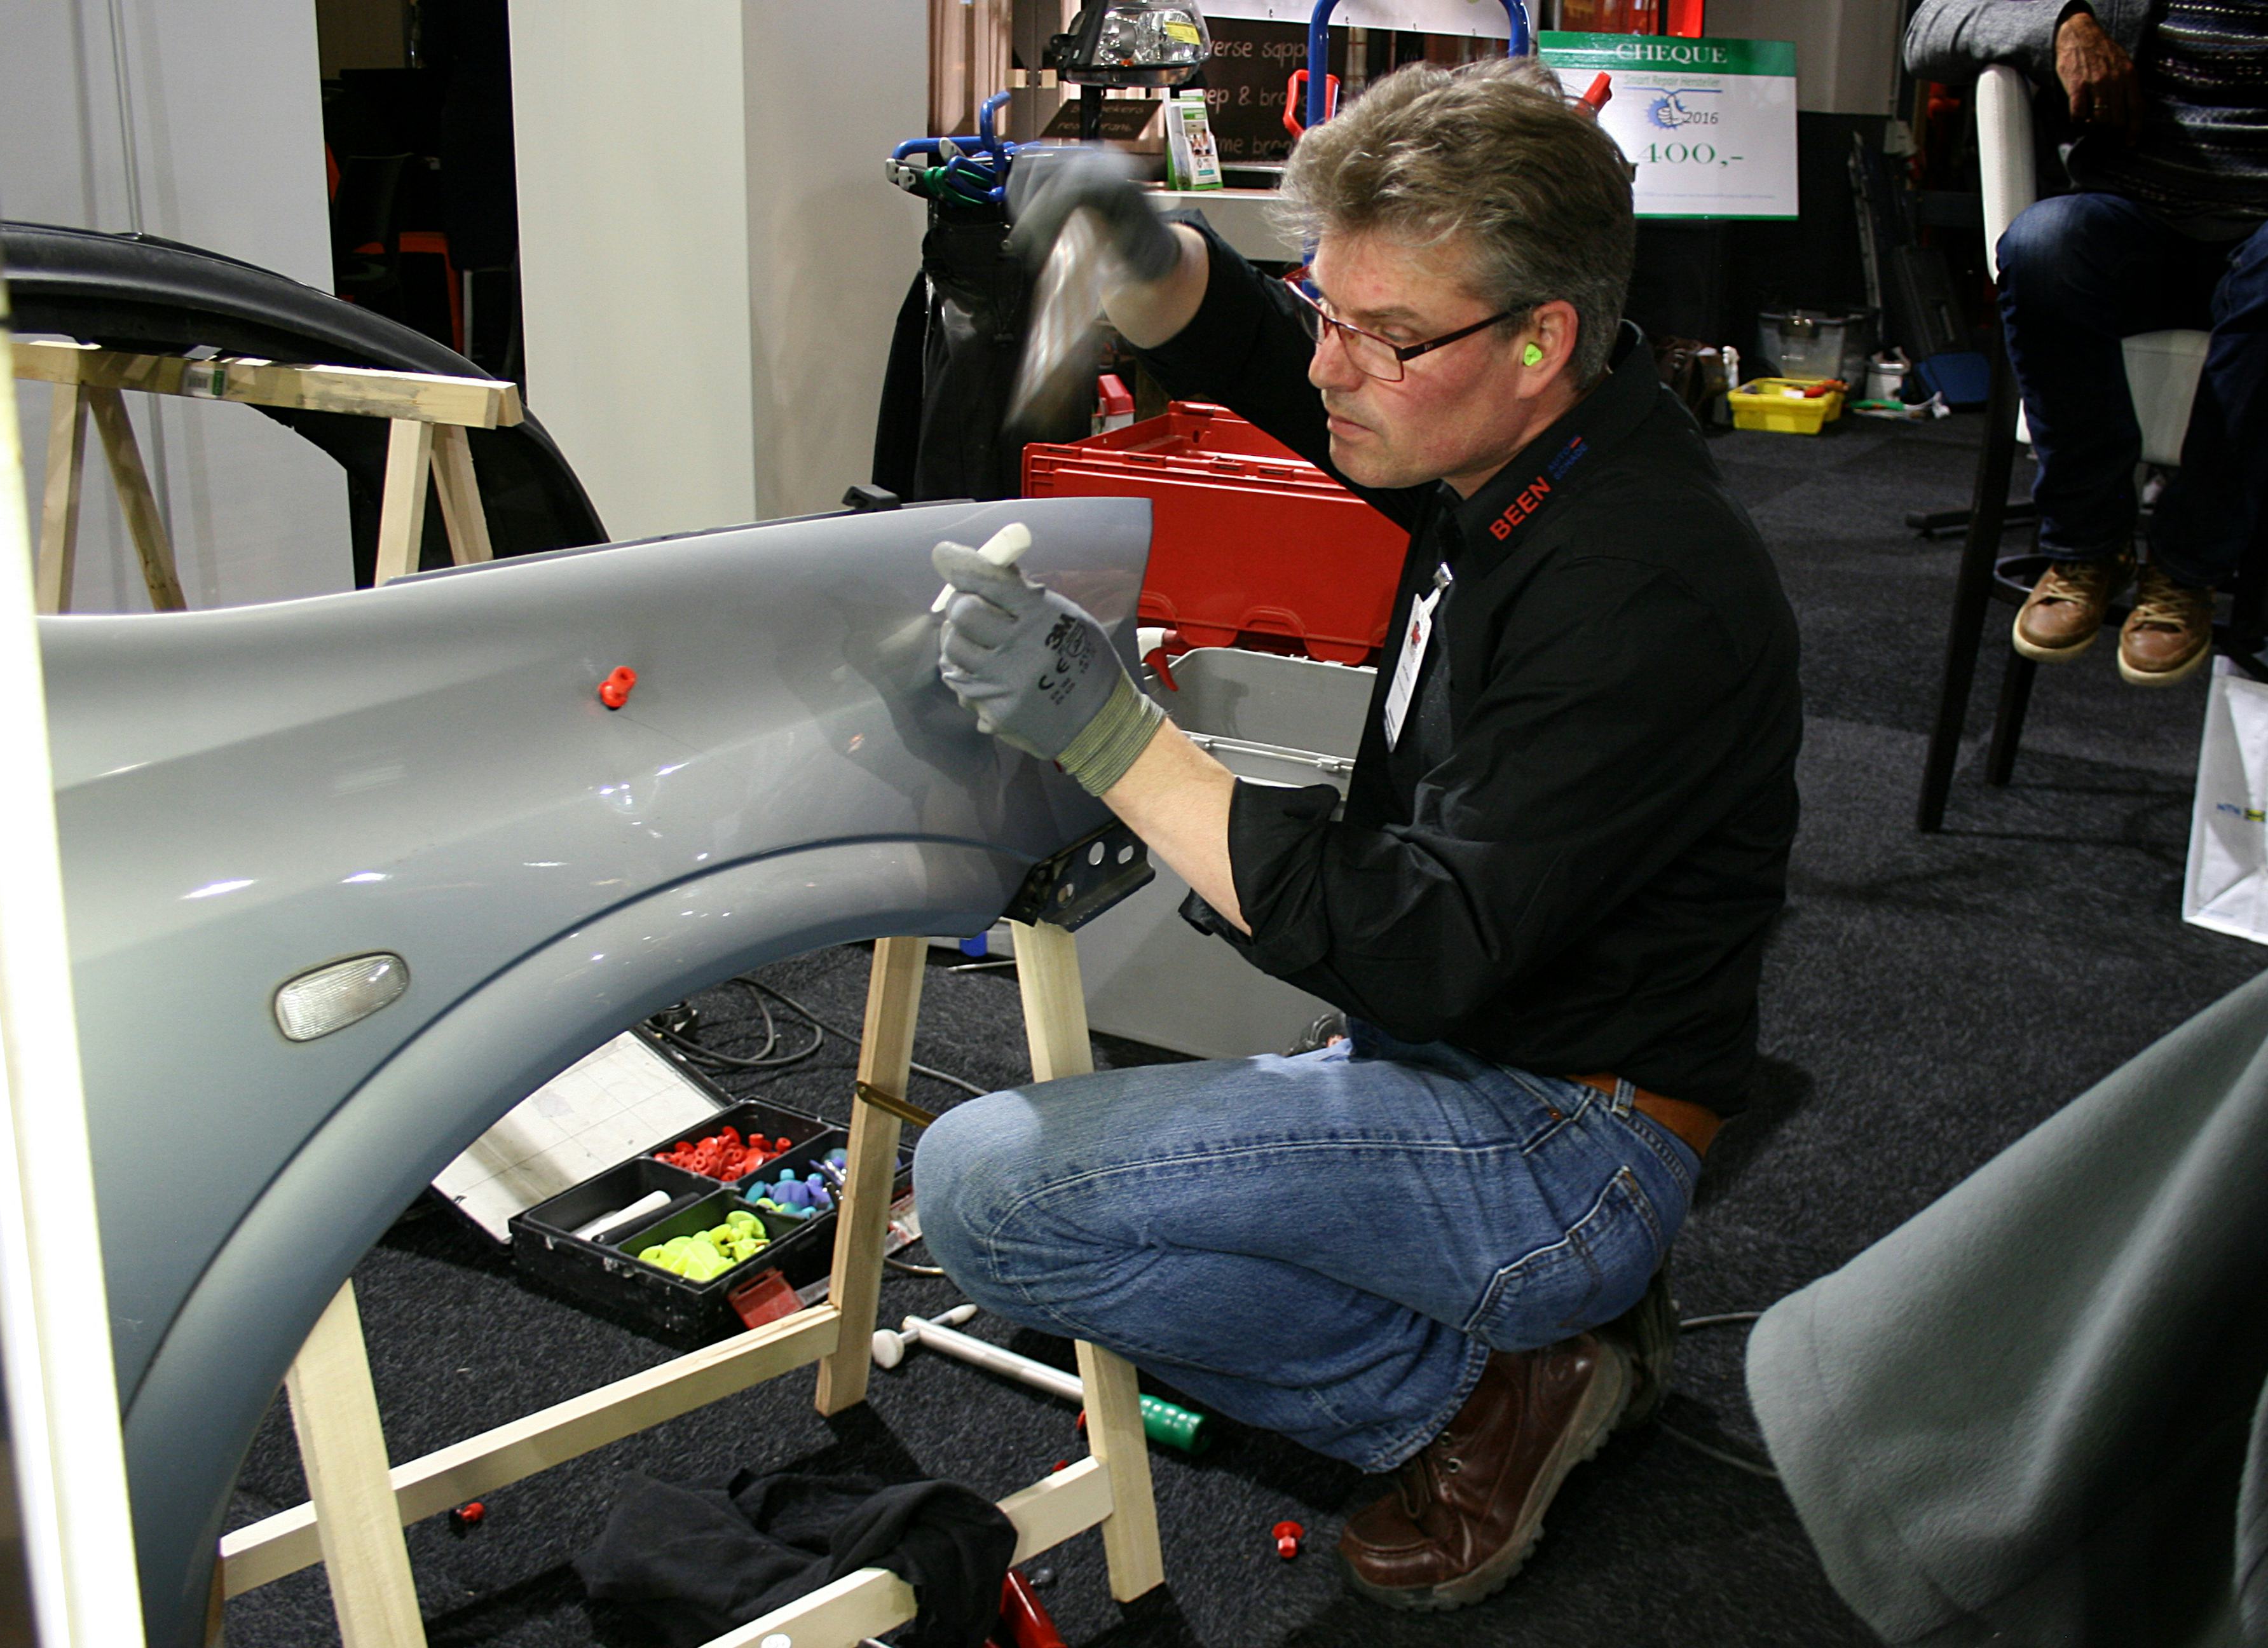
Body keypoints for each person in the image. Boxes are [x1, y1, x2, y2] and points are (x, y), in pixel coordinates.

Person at [909, 57, 1801, 1612]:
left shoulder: (1636, 584)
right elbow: (1272, 359)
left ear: (1543, 342)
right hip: (1467, 1055)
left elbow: (1422, 946)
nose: (1333, 368)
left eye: (1381, 337)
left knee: (990, 1188)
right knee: (1091, 1180)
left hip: (1568, 1130)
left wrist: (1113, 733)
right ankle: (1511, 1345)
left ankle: (1476, 1399)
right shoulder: (1523, 451)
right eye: (1330, 304)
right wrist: (1151, 249)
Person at [1908, 0, 2268, 687]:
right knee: (2044, 244)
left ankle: (2189, 565)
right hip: (2134, 222)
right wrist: (2062, 24)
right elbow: (1929, 26)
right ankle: (2086, 547)